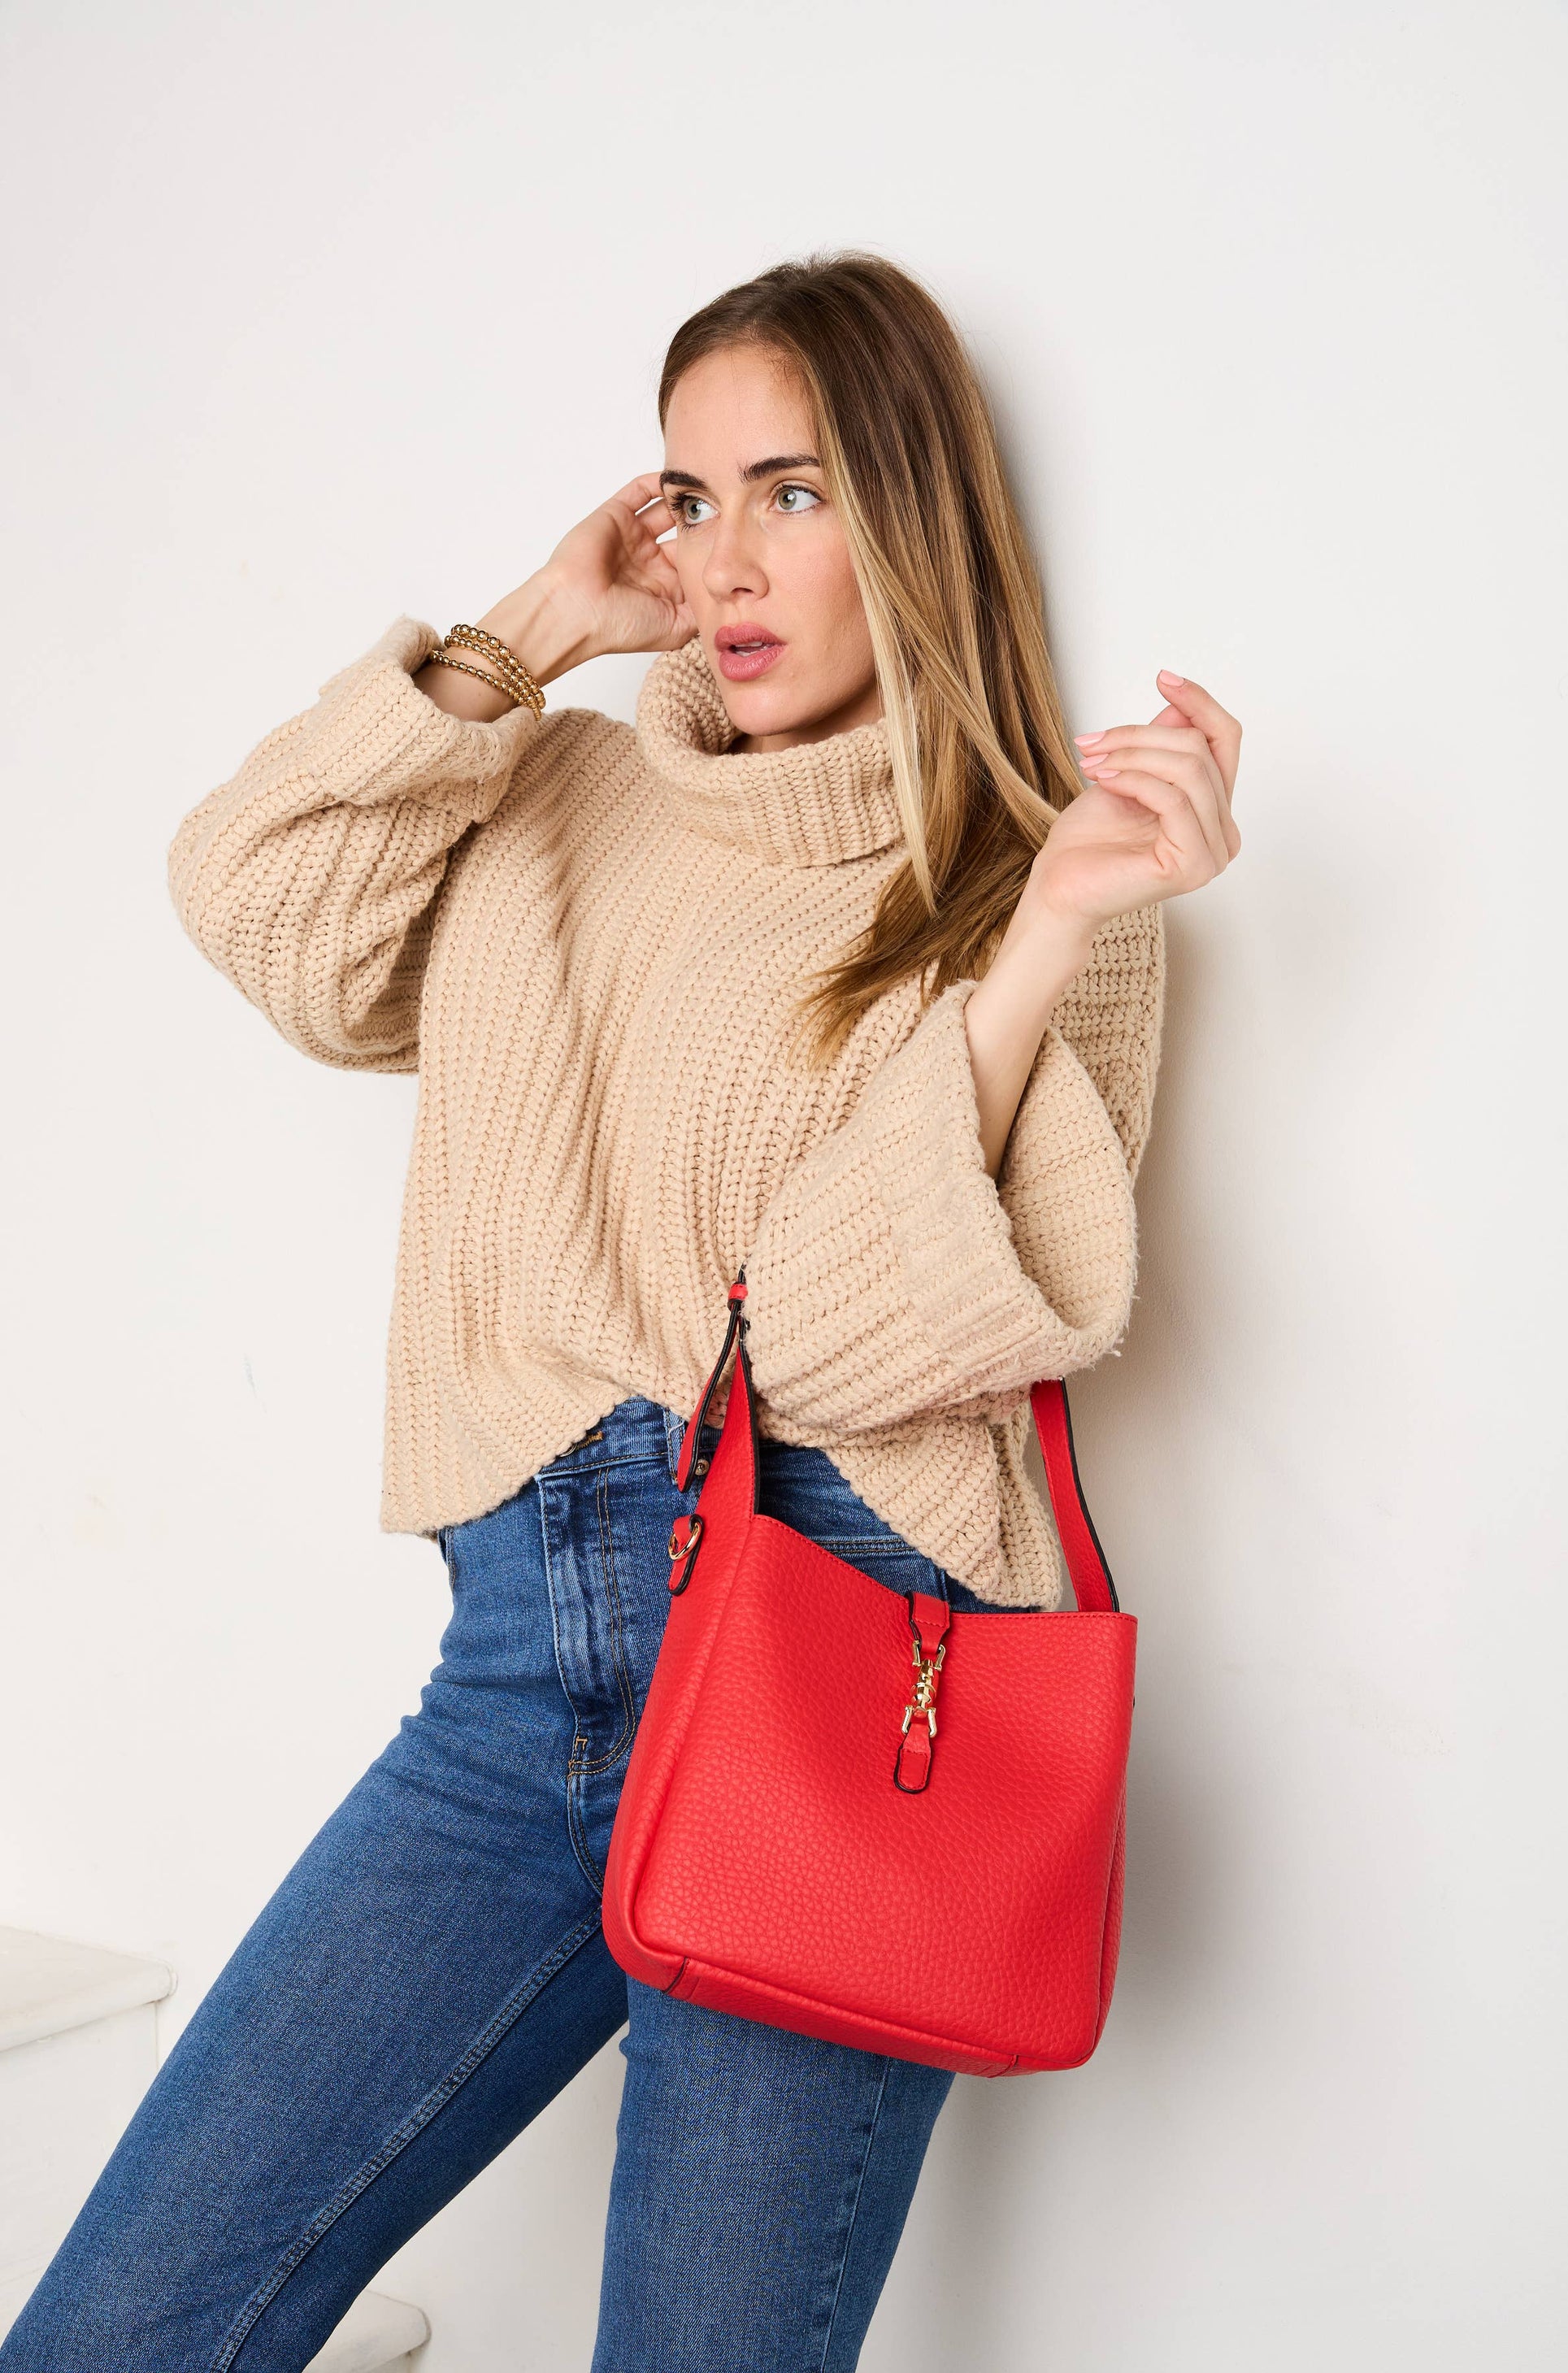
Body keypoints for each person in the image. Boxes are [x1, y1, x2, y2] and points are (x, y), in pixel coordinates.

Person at [1, 251, 1240, 2372]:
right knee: (122, 2332)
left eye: (794, 492)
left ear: (916, 518)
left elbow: (842, 1350)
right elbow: (264, 911)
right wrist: (529, 632)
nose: (726, 558)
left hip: (841, 1664)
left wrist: (1033, 941)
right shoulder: (555, 788)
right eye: (688, 496)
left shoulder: (1047, 890)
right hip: (523, 1670)